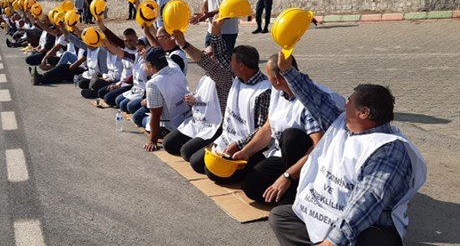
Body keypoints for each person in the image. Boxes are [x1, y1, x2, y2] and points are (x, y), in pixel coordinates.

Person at [245, 52, 427, 246]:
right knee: (280, 216)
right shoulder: (344, 123)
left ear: (364, 113)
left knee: (361, 241)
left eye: (350, 102)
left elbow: (368, 200)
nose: (344, 104)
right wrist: (289, 71)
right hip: (329, 214)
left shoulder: (388, 149)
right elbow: (315, 99)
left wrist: (339, 237)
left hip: (373, 227)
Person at [234, 54, 342, 204]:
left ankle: (296, 194)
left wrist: (287, 176)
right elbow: (268, 127)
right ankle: (283, 193)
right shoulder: (277, 92)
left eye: (268, 76)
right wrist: (246, 151)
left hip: (306, 160)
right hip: (281, 155)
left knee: (291, 136)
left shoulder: (306, 104)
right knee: (250, 187)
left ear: (277, 80)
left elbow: (318, 148)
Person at [173, 20, 270, 176]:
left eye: (231, 62)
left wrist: (238, 146)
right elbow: (215, 56)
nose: (227, 64)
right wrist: (215, 31)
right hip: (228, 136)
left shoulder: (263, 90)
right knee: (198, 163)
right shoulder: (237, 77)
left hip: (248, 145)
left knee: (213, 172)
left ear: (241, 66)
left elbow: (261, 130)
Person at [141, 47, 192, 152]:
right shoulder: (175, 67)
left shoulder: (153, 83)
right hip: (188, 116)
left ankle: (165, 135)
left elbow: (155, 116)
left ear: (150, 65)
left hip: (172, 125)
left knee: (140, 118)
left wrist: (152, 141)